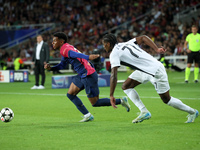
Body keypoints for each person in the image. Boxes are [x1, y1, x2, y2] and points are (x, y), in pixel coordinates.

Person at [102, 33, 198, 123]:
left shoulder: (114, 53)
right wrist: (156, 49)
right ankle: (144, 111)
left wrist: (111, 95)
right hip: (144, 70)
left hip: (155, 71)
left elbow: (114, 75)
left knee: (166, 99)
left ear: (108, 44)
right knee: (126, 86)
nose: (103, 46)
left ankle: (192, 112)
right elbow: (143, 38)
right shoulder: (126, 44)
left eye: (104, 44)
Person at [44, 32, 130, 122]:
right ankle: (87, 115)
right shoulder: (66, 48)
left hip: (88, 75)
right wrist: (51, 68)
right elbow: (62, 65)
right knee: (70, 94)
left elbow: (75, 55)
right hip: (82, 74)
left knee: (95, 103)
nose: (52, 42)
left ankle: (121, 101)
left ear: (61, 42)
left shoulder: (65, 49)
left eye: (54, 40)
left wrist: (87, 57)